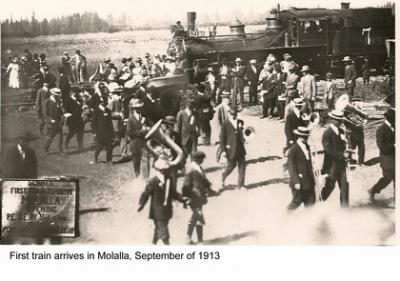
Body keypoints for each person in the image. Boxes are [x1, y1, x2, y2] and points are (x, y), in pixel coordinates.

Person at [137, 158, 187, 245]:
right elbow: (145, 193)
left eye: (167, 170)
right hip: (157, 212)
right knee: (164, 232)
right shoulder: (153, 181)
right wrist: (141, 204)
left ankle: (153, 243)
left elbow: (173, 193)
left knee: (159, 228)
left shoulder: (169, 180)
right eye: (165, 170)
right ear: (159, 170)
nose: (167, 172)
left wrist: (183, 199)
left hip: (167, 210)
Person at [182, 151, 216, 244]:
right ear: (197, 159)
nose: (202, 161)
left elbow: (204, 181)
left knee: (197, 217)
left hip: (199, 196)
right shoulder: (192, 169)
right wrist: (185, 197)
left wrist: (210, 189)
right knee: (198, 216)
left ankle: (189, 238)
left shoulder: (198, 168)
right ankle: (198, 240)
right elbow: (186, 184)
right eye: (201, 159)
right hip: (193, 196)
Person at [320, 110, 349, 207]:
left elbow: (344, 145)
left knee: (345, 188)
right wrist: (342, 155)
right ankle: (317, 204)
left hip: (342, 165)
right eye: (337, 120)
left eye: (340, 120)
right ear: (332, 120)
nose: (340, 122)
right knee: (329, 187)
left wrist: (348, 151)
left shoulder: (341, 131)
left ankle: (345, 211)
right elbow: (328, 150)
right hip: (331, 166)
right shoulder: (327, 133)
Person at [368, 108, 395, 202]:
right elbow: (382, 147)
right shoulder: (381, 130)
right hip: (387, 159)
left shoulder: (394, 127)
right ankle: (373, 190)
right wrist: (394, 146)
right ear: (390, 119)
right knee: (387, 179)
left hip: (395, 159)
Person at [286, 126, 316, 210]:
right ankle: (285, 219)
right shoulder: (293, 150)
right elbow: (291, 167)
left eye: (307, 136)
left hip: (309, 181)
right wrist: (296, 181)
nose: (306, 138)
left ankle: (309, 221)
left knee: (311, 203)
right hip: (299, 182)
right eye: (304, 136)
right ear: (299, 137)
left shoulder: (307, 147)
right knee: (296, 202)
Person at [220, 107, 246, 189]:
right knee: (231, 166)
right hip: (230, 149)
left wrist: (244, 138)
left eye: (235, 115)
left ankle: (240, 185)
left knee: (242, 166)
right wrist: (223, 150)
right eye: (232, 115)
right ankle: (223, 176)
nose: (234, 116)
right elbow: (222, 138)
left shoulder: (240, 122)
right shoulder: (225, 124)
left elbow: (242, 133)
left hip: (240, 148)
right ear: (229, 114)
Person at [126, 98, 149, 177]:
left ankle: (146, 178)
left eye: (140, 107)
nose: (140, 109)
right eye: (138, 108)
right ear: (134, 109)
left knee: (145, 160)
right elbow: (130, 133)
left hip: (143, 143)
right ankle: (137, 177)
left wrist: (146, 128)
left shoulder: (143, 118)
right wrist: (142, 131)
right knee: (136, 163)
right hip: (135, 144)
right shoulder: (130, 119)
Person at [175, 99, 199, 164]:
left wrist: (198, 132)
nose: (191, 108)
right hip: (184, 138)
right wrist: (177, 138)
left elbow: (197, 124)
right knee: (184, 155)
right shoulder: (181, 113)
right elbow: (177, 126)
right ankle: (181, 168)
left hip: (193, 137)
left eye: (192, 106)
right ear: (187, 106)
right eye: (190, 106)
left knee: (194, 153)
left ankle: (194, 167)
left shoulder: (195, 114)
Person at [91, 97, 114, 164]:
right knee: (99, 146)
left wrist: (112, 131)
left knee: (110, 147)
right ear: (100, 102)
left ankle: (109, 160)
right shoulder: (96, 111)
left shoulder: (108, 110)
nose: (105, 103)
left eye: (106, 102)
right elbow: (93, 123)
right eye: (103, 102)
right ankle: (95, 158)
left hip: (108, 132)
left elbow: (110, 122)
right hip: (100, 132)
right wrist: (94, 132)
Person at [43, 88, 64, 155]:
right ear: (52, 94)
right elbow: (45, 113)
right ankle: (46, 149)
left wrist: (64, 114)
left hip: (58, 123)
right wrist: (50, 120)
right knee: (50, 138)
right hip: (51, 124)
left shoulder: (58, 102)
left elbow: (60, 112)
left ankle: (60, 151)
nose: (58, 96)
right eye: (57, 94)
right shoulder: (47, 102)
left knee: (60, 138)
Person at [64, 87, 85, 151]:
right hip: (72, 120)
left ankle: (80, 146)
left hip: (79, 119)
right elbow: (66, 111)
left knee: (80, 133)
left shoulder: (79, 99)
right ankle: (66, 143)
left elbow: (80, 108)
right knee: (72, 132)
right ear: (73, 93)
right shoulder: (68, 100)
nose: (78, 94)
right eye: (77, 93)